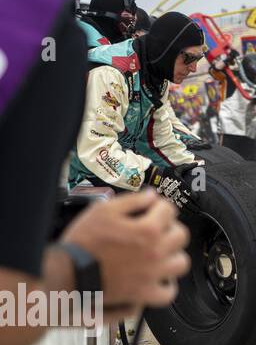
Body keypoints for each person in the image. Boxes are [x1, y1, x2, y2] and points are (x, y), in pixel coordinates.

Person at [0, 0, 190, 345]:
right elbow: (94, 151)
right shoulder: (78, 54)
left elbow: (162, 135)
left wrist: (186, 169)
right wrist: (80, 269)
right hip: (80, 181)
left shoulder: (153, 77)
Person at [67, 13, 209, 208]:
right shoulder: (110, 74)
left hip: (101, 172)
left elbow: (156, 141)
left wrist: (191, 167)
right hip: (63, 178)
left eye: (199, 58)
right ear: (167, 49)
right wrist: (154, 176)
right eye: (188, 58)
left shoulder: (156, 76)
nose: (193, 68)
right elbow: (97, 148)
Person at [217, 51, 256, 159]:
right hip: (230, 129)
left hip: (248, 131)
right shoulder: (231, 76)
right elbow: (215, 70)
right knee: (226, 160)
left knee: (247, 163)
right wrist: (228, 59)